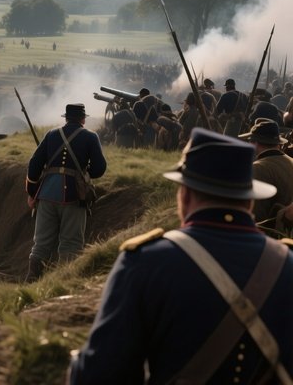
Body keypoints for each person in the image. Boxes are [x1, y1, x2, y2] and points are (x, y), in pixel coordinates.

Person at [68, 128, 293, 384]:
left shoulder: (145, 262)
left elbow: (100, 375)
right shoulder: (287, 264)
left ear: (184, 195)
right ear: (249, 202)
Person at [25, 103, 107, 281]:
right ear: (83, 119)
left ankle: (30, 283)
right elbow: (99, 169)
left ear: (66, 118)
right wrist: (85, 173)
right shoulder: (91, 137)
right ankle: (63, 285)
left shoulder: (51, 134)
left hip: (46, 195)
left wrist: (32, 193)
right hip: (74, 197)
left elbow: (34, 166)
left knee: (40, 245)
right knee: (71, 245)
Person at [239, 117, 293, 234]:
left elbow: (255, 216)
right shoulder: (290, 161)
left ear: (255, 143)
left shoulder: (258, 168)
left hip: (275, 236)